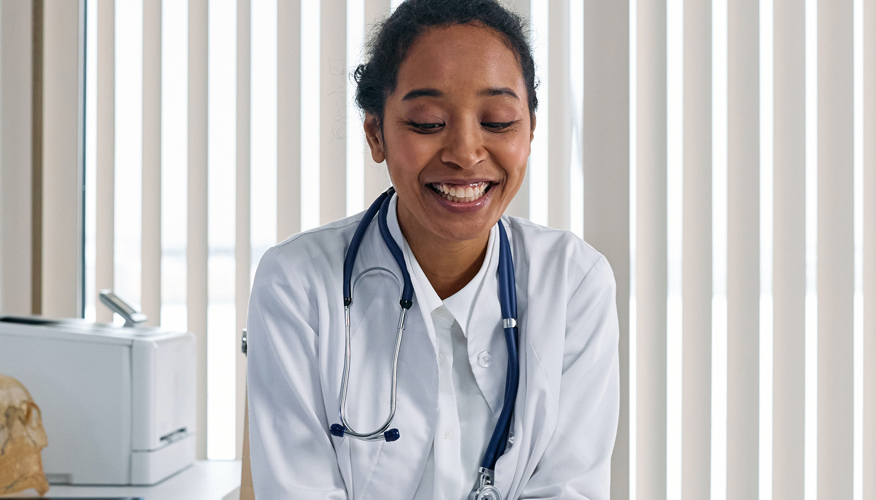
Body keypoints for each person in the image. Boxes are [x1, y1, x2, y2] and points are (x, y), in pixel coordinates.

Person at [246, 0, 619, 498]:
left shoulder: (573, 282)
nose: (465, 153)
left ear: (530, 130)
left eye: (498, 121)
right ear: (375, 133)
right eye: (427, 122)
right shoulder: (296, 283)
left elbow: (569, 488)